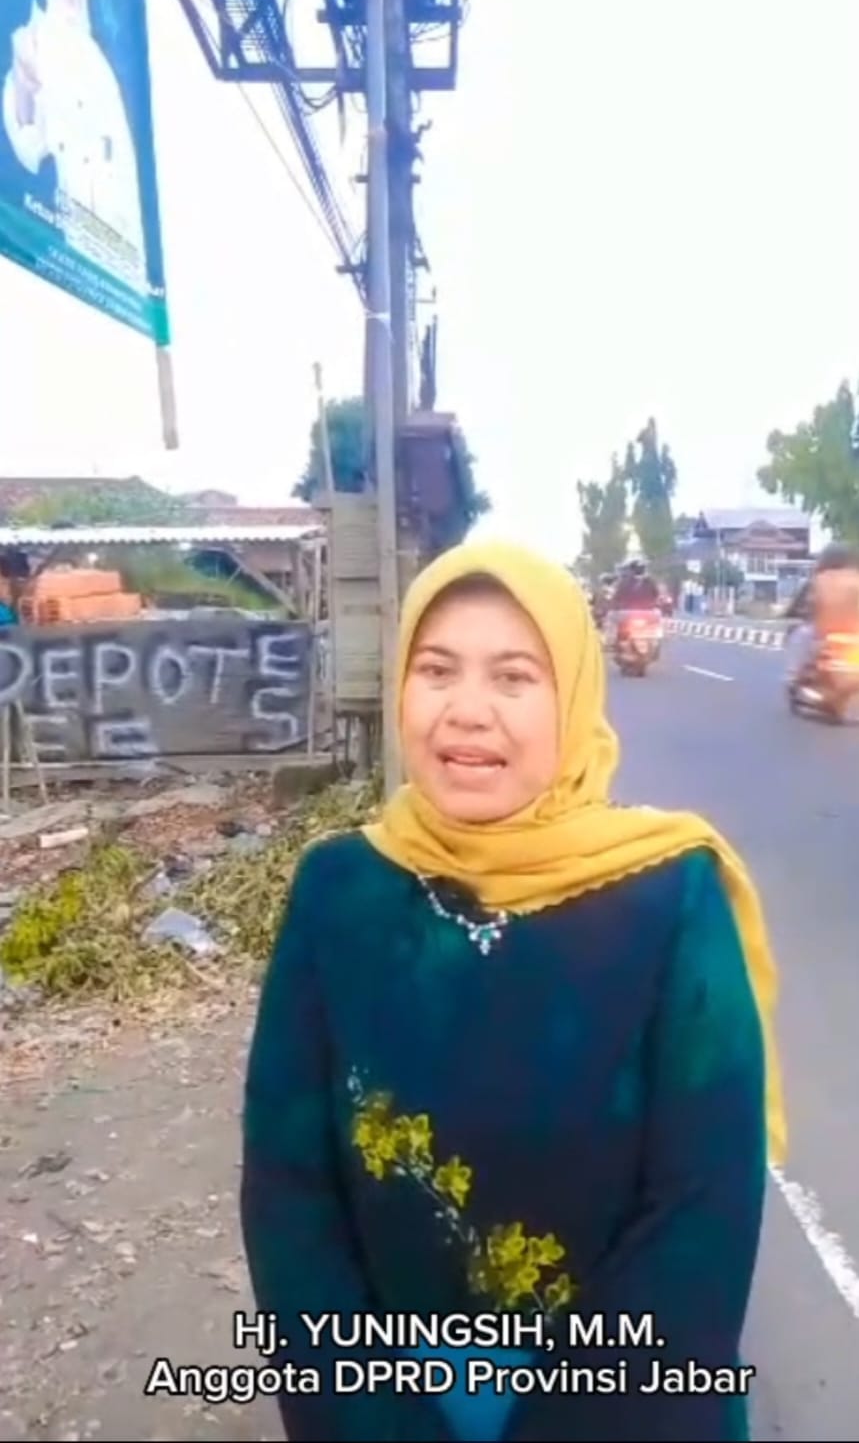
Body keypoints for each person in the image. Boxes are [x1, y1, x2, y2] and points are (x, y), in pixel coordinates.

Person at [241, 542, 785, 1443]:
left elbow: (704, 1201)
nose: (467, 711)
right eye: (436, 670)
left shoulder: (667, 893)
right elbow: (287, 1185)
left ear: (569, 699)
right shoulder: (338, 892)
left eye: (512, 677)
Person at [2, 0, 146, 292]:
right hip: (76, 258)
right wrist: (24, 85)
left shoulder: (104, 60)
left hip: (125, 273)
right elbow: (29, 147)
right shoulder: (35, 38)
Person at [784, 543, 859, 686]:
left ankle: (795, 676)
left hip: (824, 635)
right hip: (853, 635)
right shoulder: (855, 578)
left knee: (801, 634)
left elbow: (804, 603)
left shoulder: (819, 580)